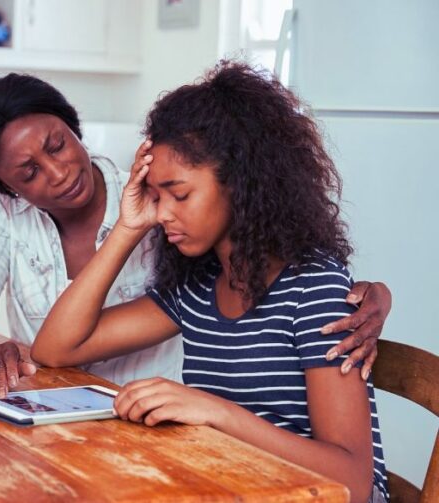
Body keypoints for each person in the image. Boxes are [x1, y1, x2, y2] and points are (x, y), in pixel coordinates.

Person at [31, 61, 388, 502]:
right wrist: (128, 227)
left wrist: (215, 412)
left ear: (240, 183)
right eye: (156, 197)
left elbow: (353, 479)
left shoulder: (313, 290)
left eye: (179, 194)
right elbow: (54, 349)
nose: (162, 214)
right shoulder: (197, 289)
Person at [0, 72, 393, 399]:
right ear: (9, 188)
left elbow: (272, 263)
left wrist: (372, 294)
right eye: (29, 172)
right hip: (64, 416)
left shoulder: (164, 198)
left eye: (58, 145)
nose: (59, 171)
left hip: (155, 419)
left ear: (73, 127)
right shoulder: (12, 215)